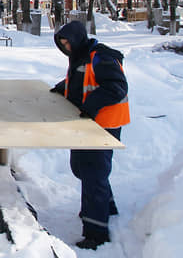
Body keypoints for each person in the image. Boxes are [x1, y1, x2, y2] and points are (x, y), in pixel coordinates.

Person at [51, 20, 130, 250]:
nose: (66, 47)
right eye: (62, 44)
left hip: (103, 125)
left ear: (77, 39)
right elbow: (80, 81)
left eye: (68, 42)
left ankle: (96, 234)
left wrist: (89, 105)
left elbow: (116, 87)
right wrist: (62, 87)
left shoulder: (101, 57)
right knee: (82, 168)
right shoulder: (82, 57)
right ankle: (107, 206)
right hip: (88, 124)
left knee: (92, 173)